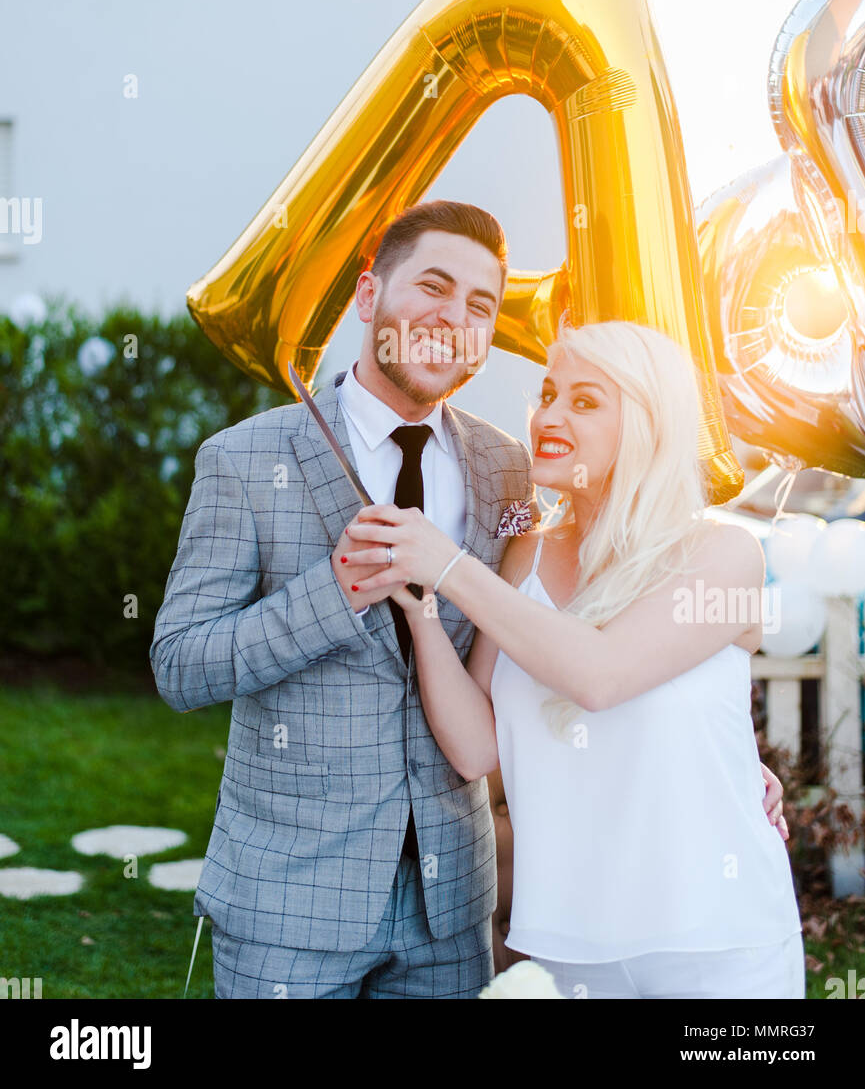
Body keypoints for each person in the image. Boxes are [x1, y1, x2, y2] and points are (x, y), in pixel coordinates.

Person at [151, 199, 787, 1000]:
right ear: (368, 295)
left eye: (480, 305)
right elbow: (180, 666)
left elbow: (599, 636)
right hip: (291, 903)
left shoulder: (508, 474)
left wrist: (715, 755)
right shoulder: (244, 460)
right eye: (433, 287)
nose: (453, 318)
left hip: (449, 912)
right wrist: (333, 595)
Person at [343, 317, 805, 999]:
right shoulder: (525, 555)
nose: (548, 416)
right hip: (571, 945)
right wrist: (423, 610)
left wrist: (448, 568)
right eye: (548, 394)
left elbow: (599, 676)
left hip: (720, 940)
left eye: (585, 401)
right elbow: (476, 748)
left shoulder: (722, 554)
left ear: (648, 425)